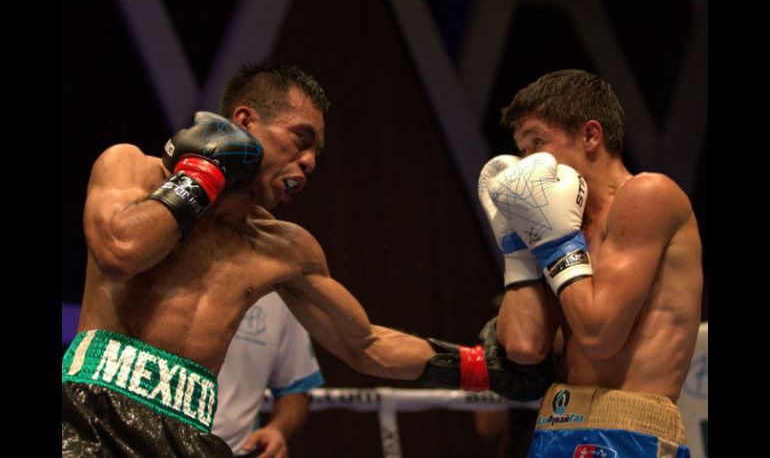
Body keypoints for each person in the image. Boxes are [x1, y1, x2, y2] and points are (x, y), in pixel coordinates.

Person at [61, 61, 555, 456]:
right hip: (91, 419)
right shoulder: (132, 168)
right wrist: (203, 175)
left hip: (189, 434)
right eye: (300, 140)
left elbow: (366, 344)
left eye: (317, 152)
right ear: (244, 123)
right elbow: (120, 251)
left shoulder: (285, 247)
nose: (310, 163)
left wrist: (479, 367)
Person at [477, 69, 702, 456]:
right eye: (522, 149)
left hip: (628, 434)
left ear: (591, 136)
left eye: (537, 143)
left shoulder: (648, 195)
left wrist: (555, 244)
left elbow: (600, 337)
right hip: (553, 427)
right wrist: (517, 246)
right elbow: (523, 345)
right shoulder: (560, 225)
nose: (526, 164)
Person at [213, 292, 324, 457]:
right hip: (166, 448)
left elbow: (294, 388)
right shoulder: (174, 276)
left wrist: (278, 429)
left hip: (240, 450)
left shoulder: (281, 297)